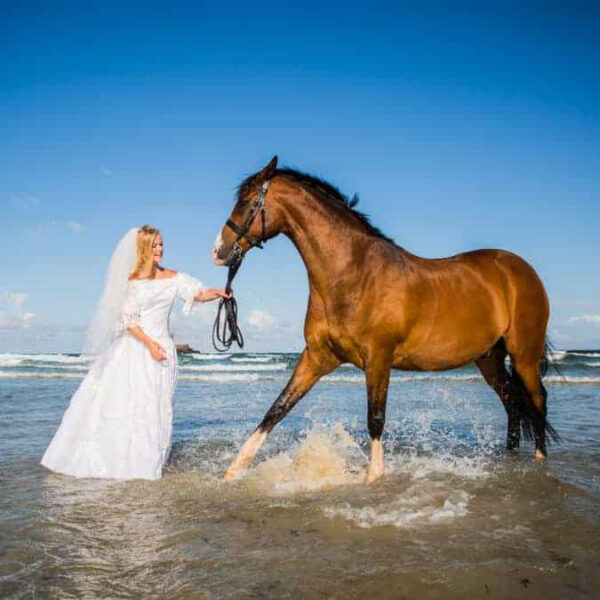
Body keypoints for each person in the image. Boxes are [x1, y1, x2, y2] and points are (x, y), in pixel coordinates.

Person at [41, 225, 230, 480]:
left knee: (158, 408)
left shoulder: (173, 278)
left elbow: (197, 292)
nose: (160, 249)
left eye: (161, 244)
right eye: (154, 245)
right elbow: (129, 321)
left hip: (163, 354)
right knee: (131, 408)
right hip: (137, 350)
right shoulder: (132, 283)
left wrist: (217, 293)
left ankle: (150, 463)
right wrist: (150, 345)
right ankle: (128, 464)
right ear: (143, 248)